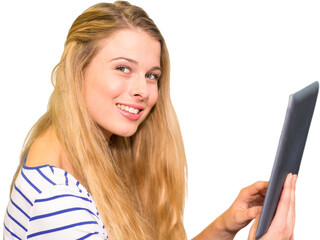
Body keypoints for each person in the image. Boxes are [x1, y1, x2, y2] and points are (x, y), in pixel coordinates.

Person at [3, 1, 296, 239]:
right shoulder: (61, 203)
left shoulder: (82, 153)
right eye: (123, 68)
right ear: (77, 69)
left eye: (151, 75)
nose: (141, 90)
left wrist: (226, 225)